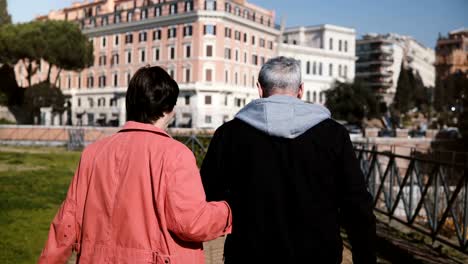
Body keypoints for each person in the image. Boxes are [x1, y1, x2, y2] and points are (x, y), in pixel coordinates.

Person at [38, 66, 232, 264]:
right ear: (169, 109)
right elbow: (192, 223)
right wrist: (228, 210)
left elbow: (66, 223)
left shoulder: (92, 153)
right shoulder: (176, 155)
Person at [201, 56, 376, 263]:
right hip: (318, 253)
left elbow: (208, 194)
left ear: (259, 88)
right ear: (301, 90)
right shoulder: (334, 135)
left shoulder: (228, 134)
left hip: (249, 252)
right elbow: (356, 204)